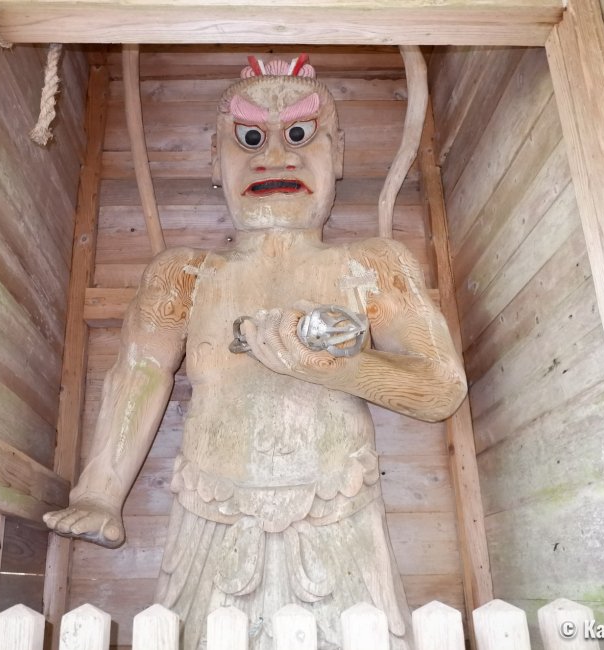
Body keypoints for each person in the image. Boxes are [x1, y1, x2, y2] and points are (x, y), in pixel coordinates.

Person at [44, 56, 467, 650]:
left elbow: (440, 387)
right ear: (214, 163)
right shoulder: (185, 275)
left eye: (300, 134)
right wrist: (99, 493)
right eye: (248, 137)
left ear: (337, 154)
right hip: (213, 513)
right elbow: (139, 370)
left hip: (336, 510)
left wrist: (335, 366)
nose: (275, 154)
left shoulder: (370, 266)